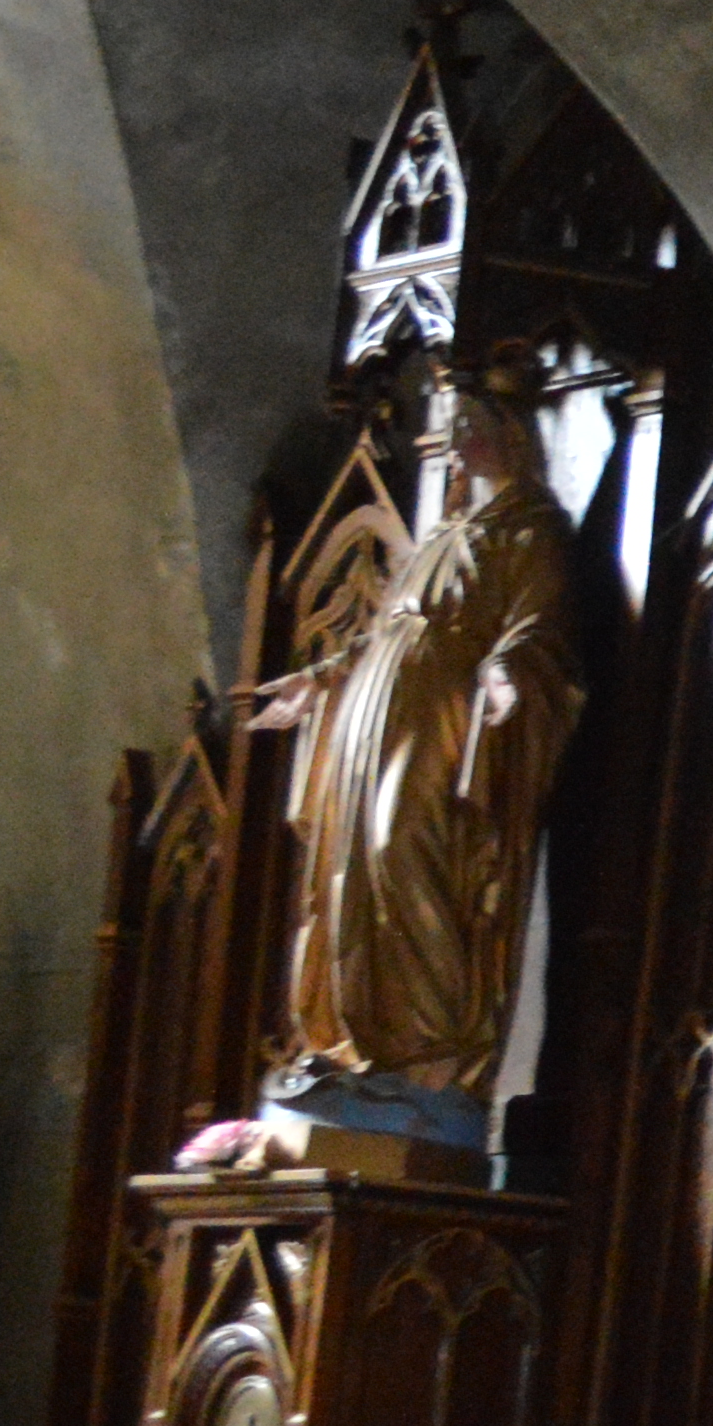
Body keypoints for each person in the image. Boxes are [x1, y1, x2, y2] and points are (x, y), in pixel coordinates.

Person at [269, 357, 587, 1107]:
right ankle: (351, 1042)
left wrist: (511, 670)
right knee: (344, 867)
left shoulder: (530, 530)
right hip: (376, 713)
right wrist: (321, 677)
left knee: (403, 846)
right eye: (454, 426)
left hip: (438, 716)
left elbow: (540, 626)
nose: (457, 441)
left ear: (510, 435)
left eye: (471, 426)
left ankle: (426, 1050)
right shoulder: (447, 530)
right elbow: (386, 628)